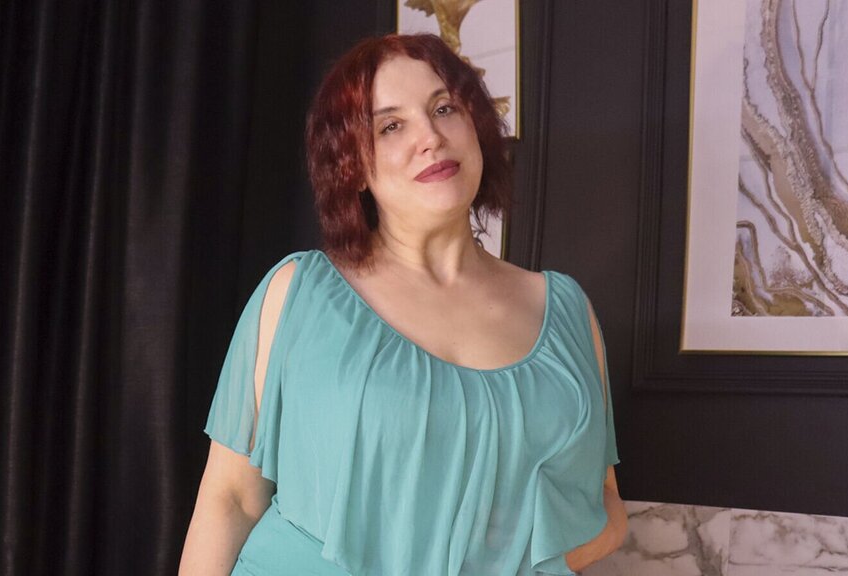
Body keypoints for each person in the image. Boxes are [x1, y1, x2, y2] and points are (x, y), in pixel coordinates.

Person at [179, 33, 626, 576]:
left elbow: (605, 507)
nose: (431, 137)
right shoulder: (297, 292)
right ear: (352, 166)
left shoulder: (566, 311)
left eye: (444, 109)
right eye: (391, 126)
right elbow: (231, 500)